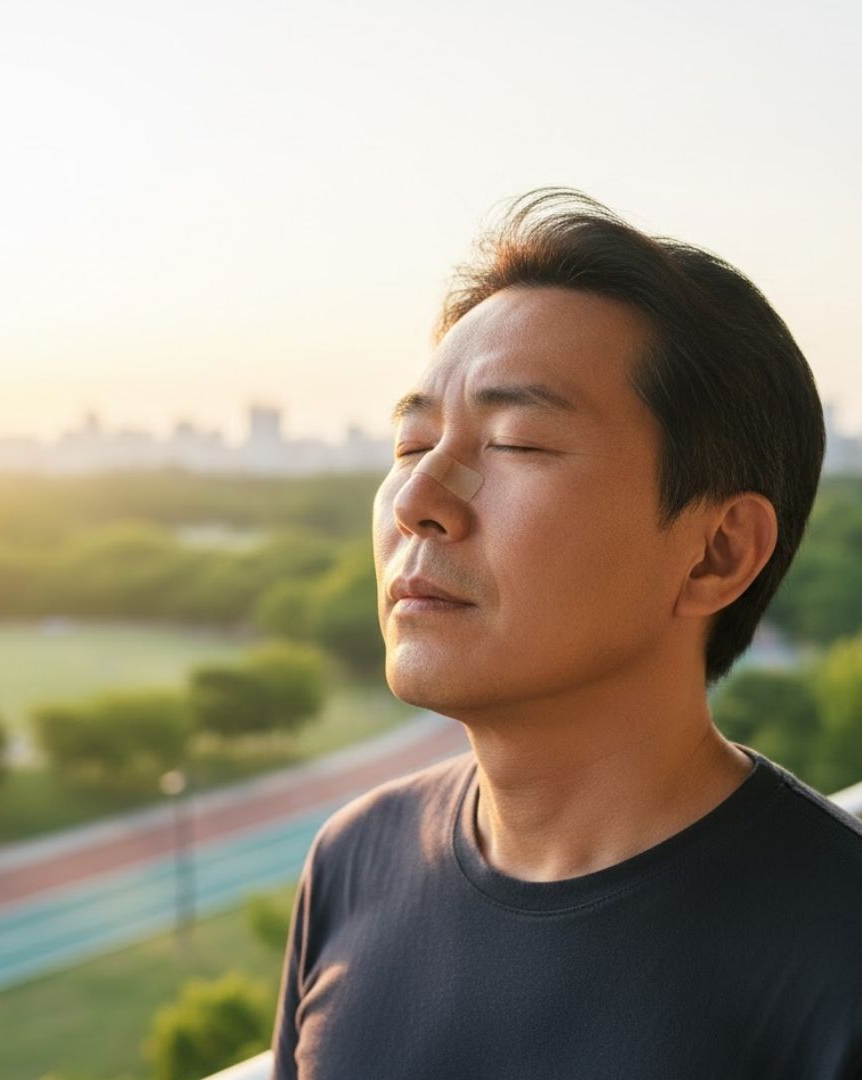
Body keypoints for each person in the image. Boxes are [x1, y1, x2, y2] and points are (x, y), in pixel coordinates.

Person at [271, 190, 862, 1079]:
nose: (418, 501)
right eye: (409, 445)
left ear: (716, 554)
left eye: (515, 444)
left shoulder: (837, 953)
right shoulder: (355, 861)